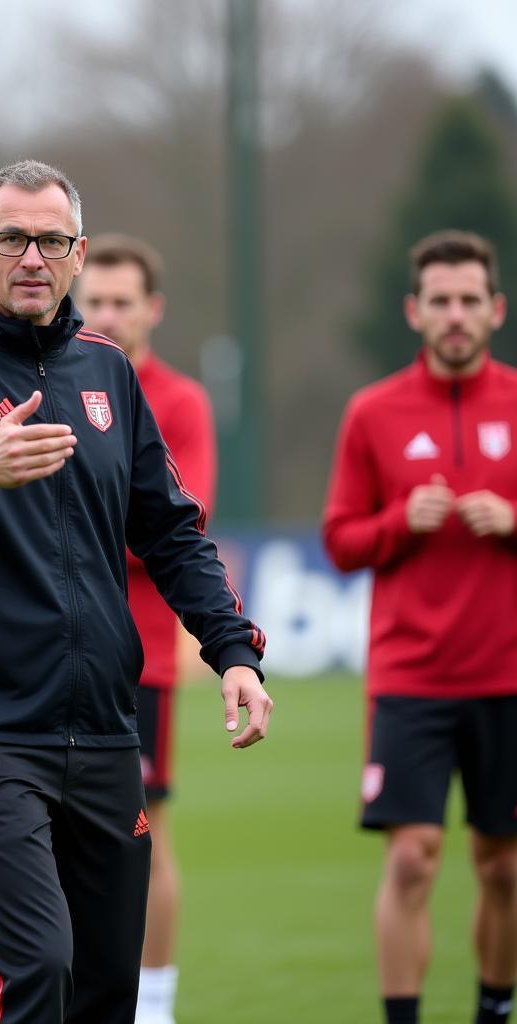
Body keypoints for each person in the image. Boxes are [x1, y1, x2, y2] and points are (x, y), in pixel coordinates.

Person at [0, 158, 270, 1024]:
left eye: (51, 240)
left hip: (103, 732)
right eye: (12, 238)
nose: (32, 257)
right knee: (37, 971)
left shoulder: (106, 371)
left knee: (107, 991)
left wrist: (232, 649)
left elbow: (170, 530)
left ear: (78, 254)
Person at [323, 229, 517, 1024]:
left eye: (470, 300)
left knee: (504, 870)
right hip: (410, 681)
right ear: (414, 311)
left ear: (496, 309)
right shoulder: (373, 412)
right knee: (410, 861)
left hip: (507, 675)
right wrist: (400, 520)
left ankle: (492, 1009)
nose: (456, 315)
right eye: (440, 301)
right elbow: (341, 541)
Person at [75, 234, 216, 1024]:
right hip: (53, 647)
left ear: (152, 309)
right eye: (94, 300)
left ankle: (153, 1004)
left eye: (123, 302)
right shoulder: (53, 376)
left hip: (141, 655)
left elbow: (179, 522)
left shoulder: (181, 400)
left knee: (142, 831)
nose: (107, 315)